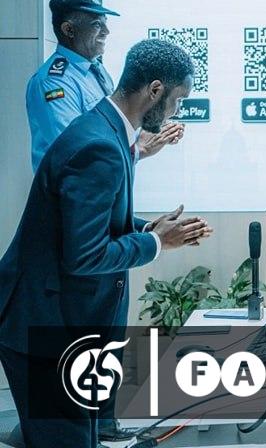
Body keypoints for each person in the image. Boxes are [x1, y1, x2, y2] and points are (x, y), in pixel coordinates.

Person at [0, 39, 213, 448]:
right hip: (46, 330)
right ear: (155, 90)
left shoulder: (106, 129)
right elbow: (85, 255)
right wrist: (155, 243)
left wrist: (150, 227)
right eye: (178, 100)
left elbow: (90, 223)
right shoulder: (99, 146)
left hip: (62, 327)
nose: (177, 112)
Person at [26, 0, 184, 172]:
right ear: (69, 30)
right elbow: (77, 150)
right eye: (96, 25)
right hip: (75, 188)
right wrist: (138, 150)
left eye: (105, 23)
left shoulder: (96, 70)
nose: (106, 31)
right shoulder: (53, 83)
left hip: (103, 183)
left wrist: (149, 127)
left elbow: (112, 126)